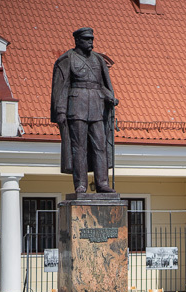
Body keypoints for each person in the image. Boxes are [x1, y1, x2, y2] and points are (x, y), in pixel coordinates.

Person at [51, 27, 117, 193]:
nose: (91, 43)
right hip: (76, 107)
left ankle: (102, 183)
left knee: (100, 146)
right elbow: (61, 86)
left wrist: (110, 96)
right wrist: (60, 111)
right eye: (87, 39)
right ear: (78, 41)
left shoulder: (98, 60)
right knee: (79, 147)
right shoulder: (67, 59)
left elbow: (103, 85)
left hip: (97, 107)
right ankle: (80, 184)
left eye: (92, 40)